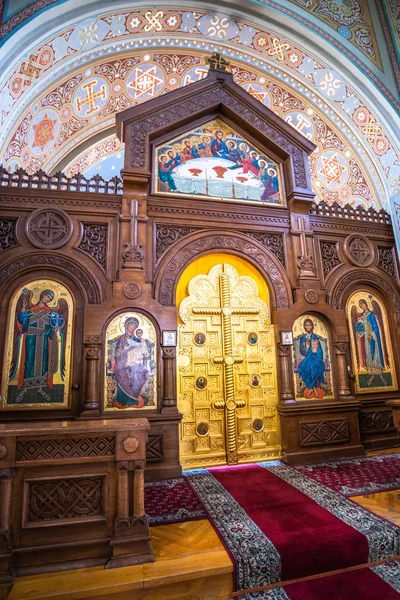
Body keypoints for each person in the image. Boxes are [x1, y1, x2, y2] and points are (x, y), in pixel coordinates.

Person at [13, 289, 64, 403]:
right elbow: (22, 321)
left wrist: (56, 328)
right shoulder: (31, 310)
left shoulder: (49, 312)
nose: (47, 299)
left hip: (43, 339)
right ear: (42, 295)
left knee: (42, 363)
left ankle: (40, 389)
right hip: (31, 338)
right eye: (46, 296)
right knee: (29, 361)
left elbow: (54, 324)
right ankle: (25, 389)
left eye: (50, 299)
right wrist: (23, 310)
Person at [108, 317, 154, 408]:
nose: (132, 327)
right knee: (123, 373)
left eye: (134, 325)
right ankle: (124, 401)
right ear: (126, 325)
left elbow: (144, 350)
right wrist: (125, 350)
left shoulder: (137, 339)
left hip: (135, 362)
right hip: (122, 364)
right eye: (131, 324)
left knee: (143, 371)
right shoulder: (122, 339)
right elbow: (118, 353)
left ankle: (134, 398)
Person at [355, 299, 386, 386]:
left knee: (375, 354)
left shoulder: (371, 315)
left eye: (363, 305)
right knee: (369, 354)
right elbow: (360, 329)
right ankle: (372, 375)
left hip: (373, 337)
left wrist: (373, 334)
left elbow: (375, 326)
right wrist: (359, 328)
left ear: (366, 304)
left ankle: (380, 375)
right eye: (361, 306)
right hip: (366, 338)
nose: (363, 306)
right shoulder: (361, 317)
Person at [296, 318, 326, 399]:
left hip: (315, 357)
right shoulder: (303, 338)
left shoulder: (314, 336)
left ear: (312, 326)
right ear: (304, 327)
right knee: (301, 367)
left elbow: (318, 349)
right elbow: (302, 351)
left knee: (313, 365)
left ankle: (312, 389)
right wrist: (306, 348)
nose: (308, 327)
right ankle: (313, 389)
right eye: (306, 325)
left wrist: (316, 351)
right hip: (308, 356)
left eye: (309, 325)